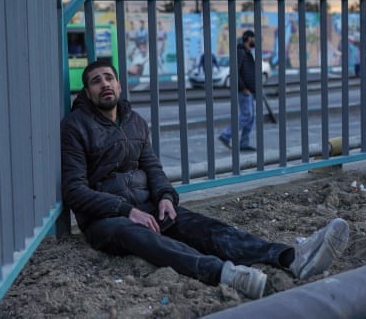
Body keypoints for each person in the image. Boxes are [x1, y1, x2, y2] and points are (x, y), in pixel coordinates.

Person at [60, 60, 349, 300]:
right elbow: (75, 191)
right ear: (87, 91)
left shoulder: (135, 121)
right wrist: (126, 211)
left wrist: (164, 197)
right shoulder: (76, 126)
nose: (105, 84)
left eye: (109, 78)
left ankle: (291, 258)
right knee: (141, 237)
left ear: (120, 85)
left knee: (208, 228)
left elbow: (152, 167)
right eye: (96, 81)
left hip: (147, 207)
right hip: (107, 221)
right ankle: (226, 274)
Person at [219, 30, 257, 152]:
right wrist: (243, 88)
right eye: (253, 38)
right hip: (244, 90)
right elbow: (234, 72)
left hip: (250, 90)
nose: (255, 41)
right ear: (249, 38)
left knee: (251, 117)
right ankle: (226, 135)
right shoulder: (241, 52)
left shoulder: (247, 52)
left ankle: (244, 143)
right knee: (247, 115)